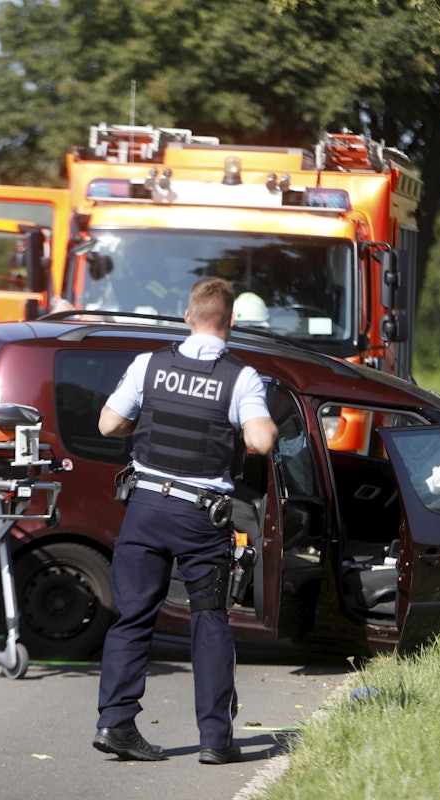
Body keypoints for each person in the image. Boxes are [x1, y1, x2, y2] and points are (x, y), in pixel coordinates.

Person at [93, 277, 278, 765]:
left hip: (146, 508)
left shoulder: (148, 365)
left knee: (133, 616)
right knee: (210, 620)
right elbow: (260, 441)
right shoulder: (242, 378)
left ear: (187, 316)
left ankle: (115, 724)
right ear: (231, 321)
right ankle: (216, 739)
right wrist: (258, 424)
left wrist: (144, 420)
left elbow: (108, 424)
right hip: (200, 517)